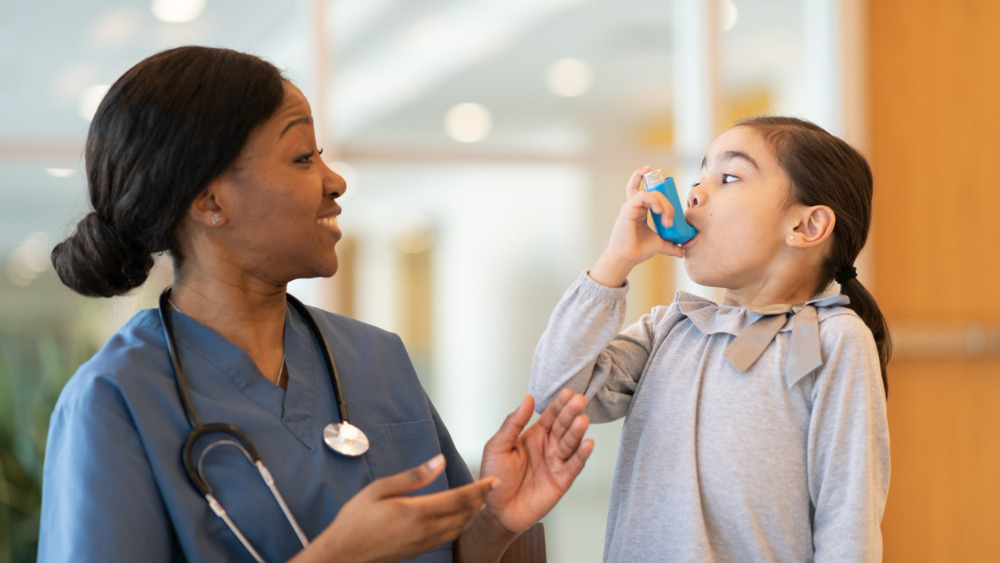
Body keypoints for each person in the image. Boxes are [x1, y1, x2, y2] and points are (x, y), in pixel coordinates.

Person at [39, 46, 594, 563]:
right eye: (303, 158)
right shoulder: (114, 400)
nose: (336, 181)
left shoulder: (378, 360)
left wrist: (495, 520)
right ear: (210, 202)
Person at [530, 117, 891, 561]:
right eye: (699, 177)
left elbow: (848, 519)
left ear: (806, 226)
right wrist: (615, 261)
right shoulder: (670, 328)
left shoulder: (833, 339)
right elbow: (556, 392)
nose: (694, 193)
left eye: (729, 177)